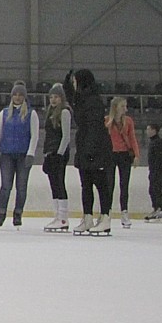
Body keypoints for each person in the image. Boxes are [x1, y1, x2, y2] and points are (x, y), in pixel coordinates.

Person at [64, 69, 113, 236]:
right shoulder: (82, 99)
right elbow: (71, 98)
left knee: (100, 183)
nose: (74, 84)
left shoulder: (93, 101)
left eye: (76, 81)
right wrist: (67, 83)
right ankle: (87, 217)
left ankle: (105, 217)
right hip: (84, 144)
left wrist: (90, 149)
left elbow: (94, 127)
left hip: (96, 146)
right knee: (86, 184)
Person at [0, 82, 39, 230]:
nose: (17, 97)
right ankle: (1, 213)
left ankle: (18, 213)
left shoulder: (31, 114)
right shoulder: (4, 113)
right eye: (15, 94)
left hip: (23, 154)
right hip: (6, 154)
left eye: (20, 95)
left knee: (21, 187)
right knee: (6, 186)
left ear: (24, 97)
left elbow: (35, 135)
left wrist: (31, 153)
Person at [105, 96, 140, 228]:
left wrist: (136, 155)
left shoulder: (128, 121)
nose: (125, 108)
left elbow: (132, 138)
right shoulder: (107, 121)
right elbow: (103, 141)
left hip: (124, 155)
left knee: (124, 185)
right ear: (115, 107)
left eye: (125, 106)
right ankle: (106, 212)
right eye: (122, 106)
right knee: (109, 184)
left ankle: (124, 212)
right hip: (110, 155)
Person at [42, 83, 72, 232]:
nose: (53, 100)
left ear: (62, 98)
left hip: (59, 153)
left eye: (56, 97)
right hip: (51, 152)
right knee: (54, 183)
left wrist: (59, 154)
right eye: (51, 97)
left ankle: (63, 217)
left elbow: (66, 136)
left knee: (59, 183)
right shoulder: (50, 112)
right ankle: (57, 215)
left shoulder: (65, 112)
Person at [144, 123, 162, 222]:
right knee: (152, 189)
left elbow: (159, 158)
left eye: (148, 129)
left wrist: (156, 170)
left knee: (156, 189)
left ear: (154, 130)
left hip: (158, 170)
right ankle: (156, 208)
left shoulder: (157, 142)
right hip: (154, 169)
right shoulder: (154, 141)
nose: (147, 131)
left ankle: (160, 210)